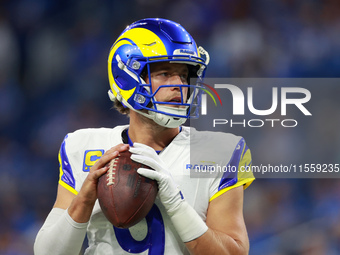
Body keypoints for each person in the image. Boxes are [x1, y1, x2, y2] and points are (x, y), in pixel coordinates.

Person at [34, 18, 255, 255]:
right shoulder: (83, 147)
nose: (179, 85)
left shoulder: (220, 151)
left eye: (183, 75)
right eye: (164, 73)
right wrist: (84, 201)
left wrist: (176, 205)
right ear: (126, 78)